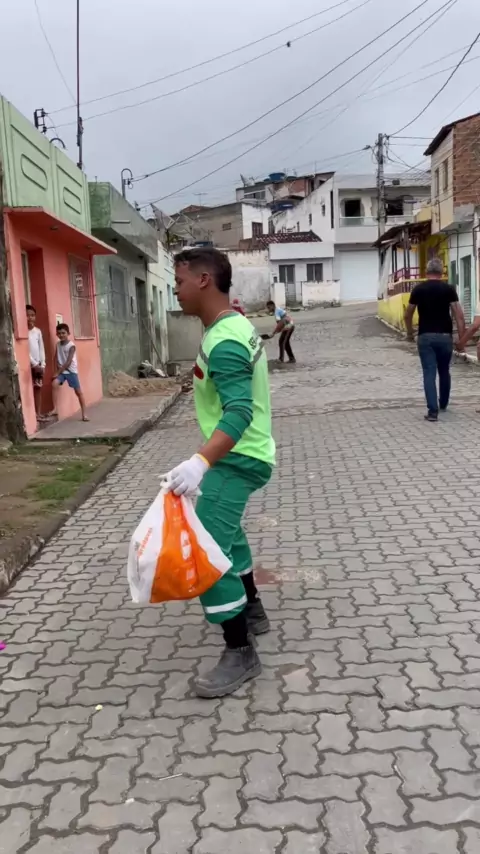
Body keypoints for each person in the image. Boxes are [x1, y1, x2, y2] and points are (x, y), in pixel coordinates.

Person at [165, 247, 275, 699]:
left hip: (237, 457)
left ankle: (239, 650)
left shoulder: (225, 338)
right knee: (227, 534)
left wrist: (200, 462)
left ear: (204, 280)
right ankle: (253, 609)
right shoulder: (230, 326)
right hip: (243, 455)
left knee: (205, 549)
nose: (176, 289)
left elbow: (238, 411)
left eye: (180, 281)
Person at [404, 258, 465, 422]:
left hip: (425, 336)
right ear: (441, 272)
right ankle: (443, 403)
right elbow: (459, 316)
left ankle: (432, 411)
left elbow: (408, 314)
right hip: (445, 337)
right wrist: (461, 340)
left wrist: (409, 332)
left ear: (426, 272)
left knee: (429, 372)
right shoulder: (449, 289)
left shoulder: (418, 290)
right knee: (444, 370)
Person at [52, 323, 89, 422]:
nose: (61, 335)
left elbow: (68, 362)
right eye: (59, 333)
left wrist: (57, 372)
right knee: (54, 383)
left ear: (68, 333)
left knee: (78, 392)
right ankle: (55, 409)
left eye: (63, 333)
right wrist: (55, 370)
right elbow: (55, 357)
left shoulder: (71, 346)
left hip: (71, 371)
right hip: (62, 371)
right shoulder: (58, 344)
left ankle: (84, 413)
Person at [26, 305, 46, 420]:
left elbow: (41, 348)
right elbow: (24, 349)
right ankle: (31, 415)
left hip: (38, 365)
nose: (30, 318)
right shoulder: (23, 332)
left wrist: (42, 364)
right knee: (29, 389)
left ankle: (38, 413)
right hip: (29, 365)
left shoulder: (37, 331)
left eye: (32, 315)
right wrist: (34, 364)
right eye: (27, 315)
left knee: (38, 388)